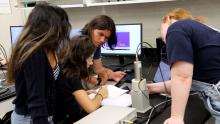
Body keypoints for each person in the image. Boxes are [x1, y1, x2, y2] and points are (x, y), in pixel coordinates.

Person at [147, 8, 220, 124]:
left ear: (168, 19)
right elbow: (183, 82)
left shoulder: (175, 28)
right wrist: (152, 88)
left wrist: (176, 117)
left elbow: (182, 77)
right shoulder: (203, 29)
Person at [7, 3, 71, 124]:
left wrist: (76, 113)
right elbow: (37, 98)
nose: (62, 31)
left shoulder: (49, 48)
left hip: (44, 116)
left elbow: (61, 86)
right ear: (47, 26)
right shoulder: (33, 52)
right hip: (30, 119)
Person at [54, 35, 108, 123]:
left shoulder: (64, 68)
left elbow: (65, 94)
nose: (91, 62)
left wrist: (83, 94)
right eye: (90, 58)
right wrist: (101, 95)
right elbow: (91, 108)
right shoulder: (72, 75)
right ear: (81, 57)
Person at [80, 15, 126, 86]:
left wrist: (111, 74)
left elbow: (97, 68)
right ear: (92, 28)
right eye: (100, 34)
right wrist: (96, 81)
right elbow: (74, 73)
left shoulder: (96, 44)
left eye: (106, 38)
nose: (102, 40)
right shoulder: (77, 41)